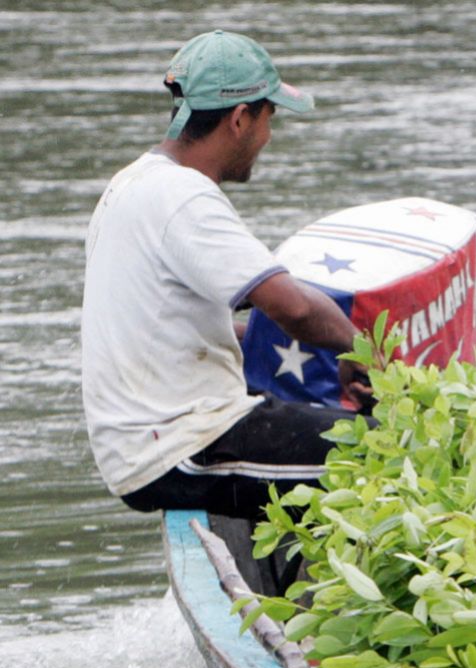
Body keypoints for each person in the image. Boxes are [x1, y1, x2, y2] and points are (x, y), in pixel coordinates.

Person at [81, 30, 369, 520]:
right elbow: (293, 306)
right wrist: (367, 354)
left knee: (324, 421)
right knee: (386, 455)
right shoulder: (185, 197)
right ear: (240, 119)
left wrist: (267, 343)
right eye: (269, 118)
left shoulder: (132, 182)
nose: (268, 137)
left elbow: (173, 321)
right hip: (178, 446)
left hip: (144, 437)